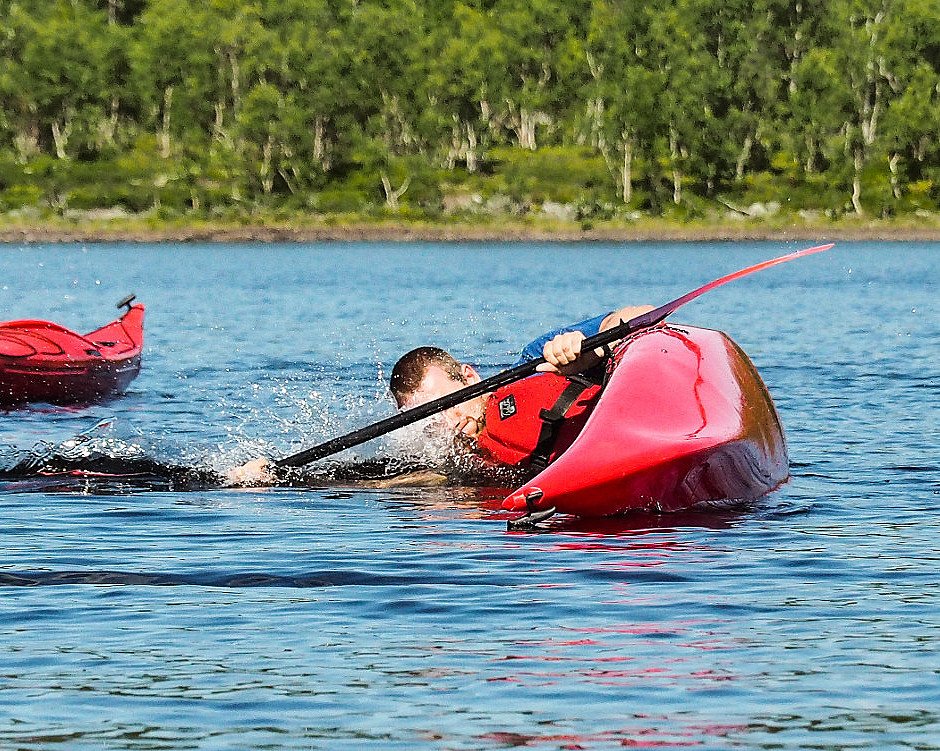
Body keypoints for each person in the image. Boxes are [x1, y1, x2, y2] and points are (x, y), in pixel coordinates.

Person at [226, 305, 651, 486]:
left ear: (468, 377)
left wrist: (584, 350)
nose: (447, 423)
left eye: (445, 405)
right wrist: (278, 477)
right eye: (429, 419)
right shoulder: (455, 464)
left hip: (632, 425)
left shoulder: (534, 362)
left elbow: (637, 316)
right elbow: (372, 482)